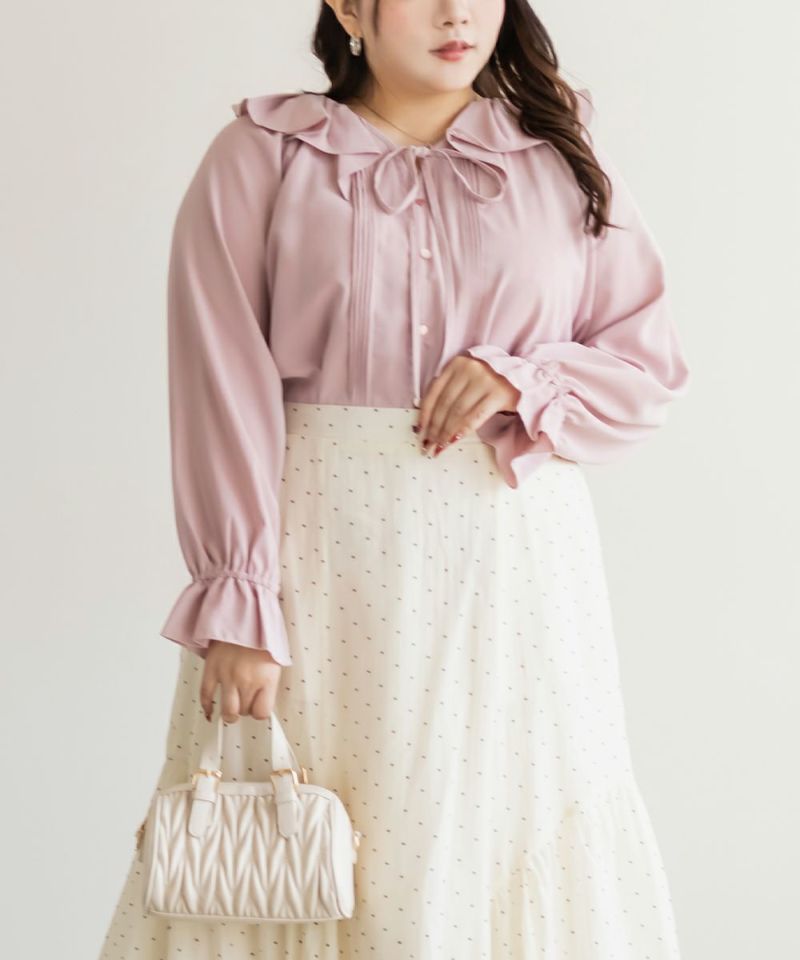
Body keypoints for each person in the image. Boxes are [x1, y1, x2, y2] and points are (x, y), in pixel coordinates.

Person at [99, 1, 690, 957]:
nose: (459, 14)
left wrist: (526, 377)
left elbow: (646, 368)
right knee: (306, 843)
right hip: (321, 561)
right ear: (348, 6)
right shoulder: (263, 158)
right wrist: (240, 598)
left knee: (501, 823)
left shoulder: (558, 157)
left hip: (513, 571)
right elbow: (221, 387)